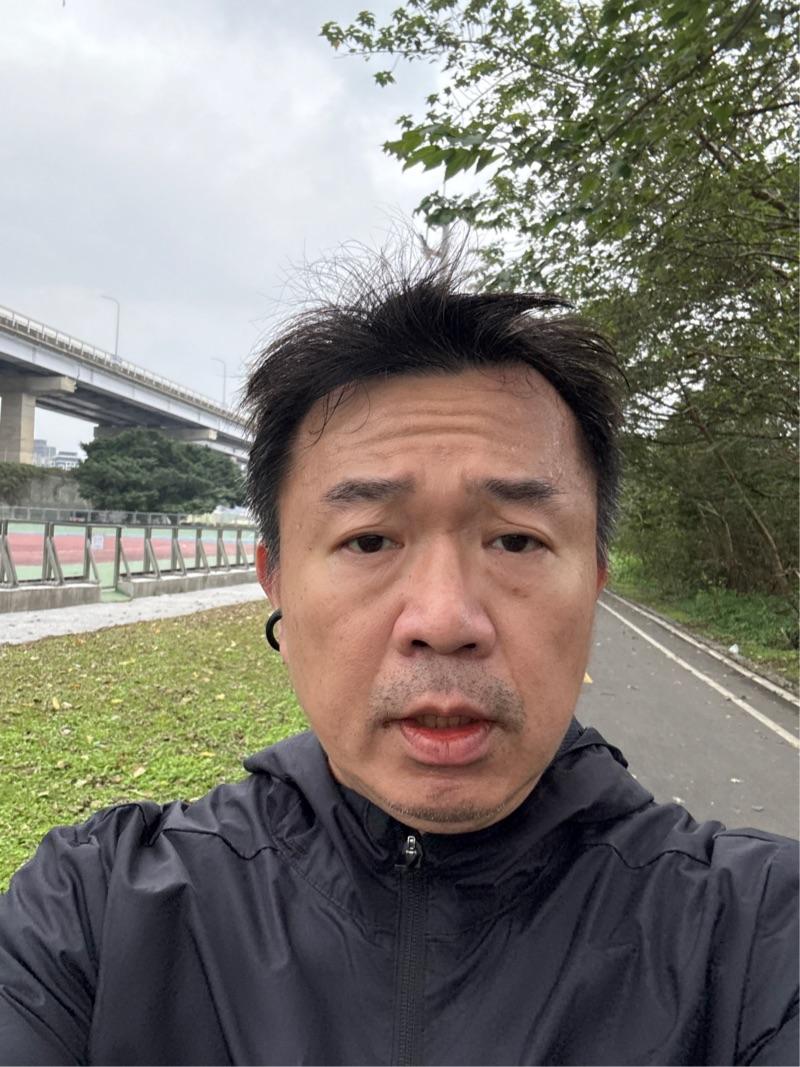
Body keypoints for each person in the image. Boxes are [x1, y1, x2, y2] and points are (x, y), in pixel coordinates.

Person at [0, 252, 797, 1067]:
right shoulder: (94, 917)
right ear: (277, 583)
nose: (445, 620)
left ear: (594, 581)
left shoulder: (758, 938)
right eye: (370, 540)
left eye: (515, 540)